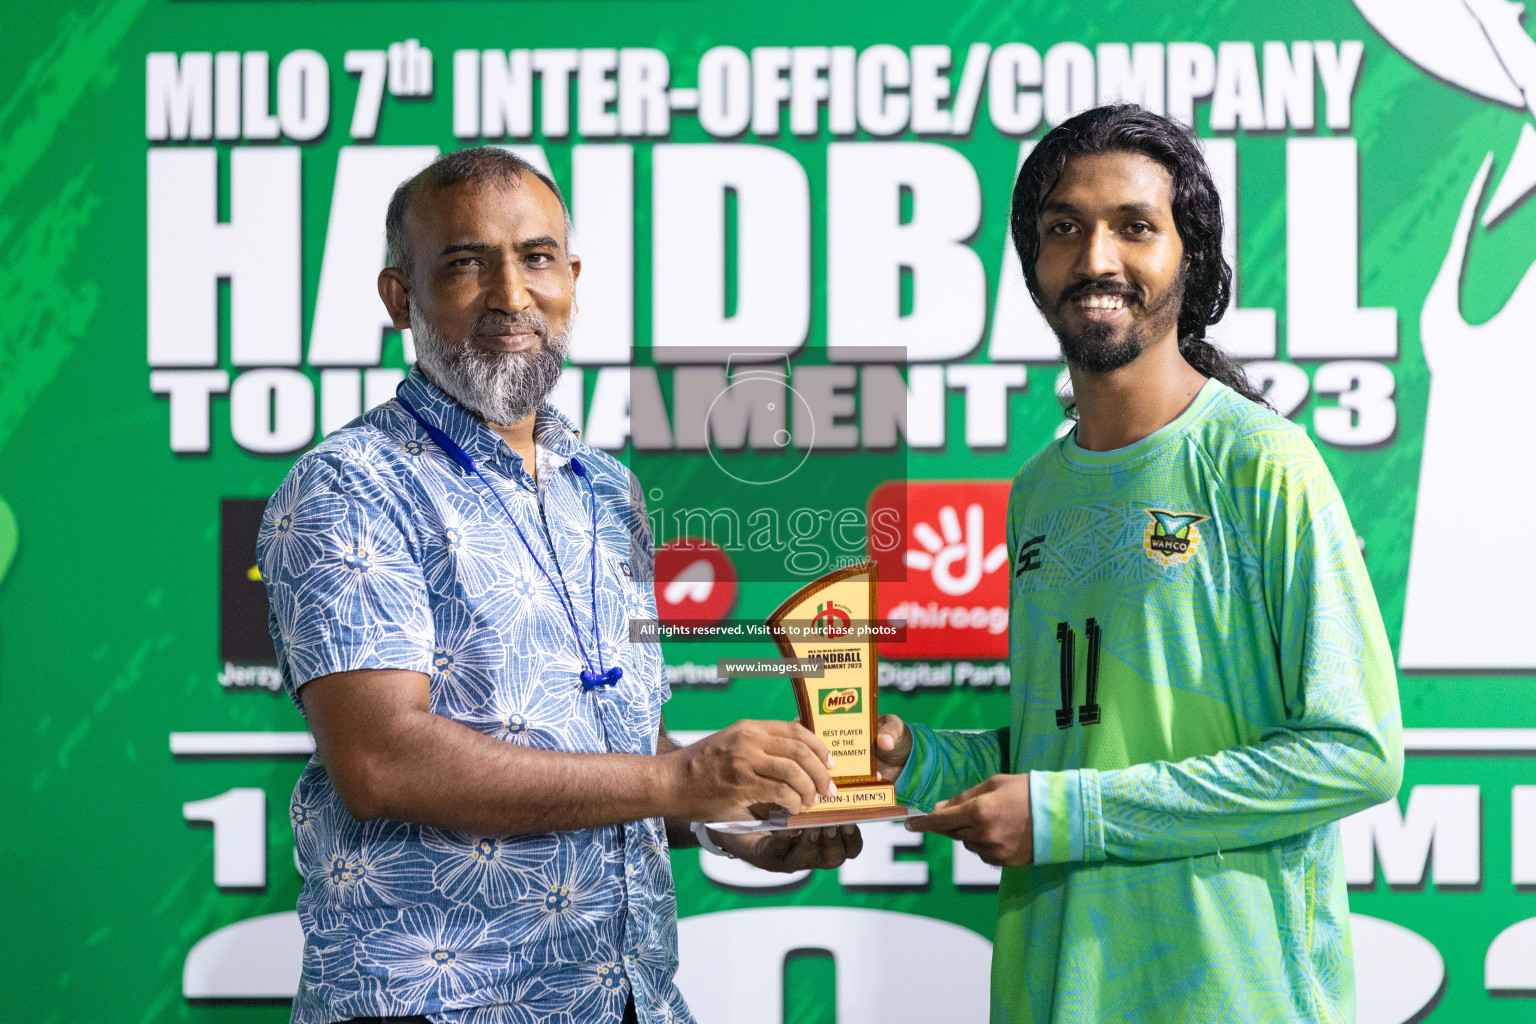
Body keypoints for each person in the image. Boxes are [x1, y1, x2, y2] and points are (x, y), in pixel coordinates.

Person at [258, 146, 861, 1024]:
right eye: (466, 263)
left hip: (629, 1001)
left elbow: (632, 763)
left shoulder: (605, 488)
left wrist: (741, 821)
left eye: (537, 258)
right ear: (399, 296)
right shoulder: (351, 485)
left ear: (572, 280)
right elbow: (380, 760)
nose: (512, 295)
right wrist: (683, 779)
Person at [876, 104, 1403, 1022]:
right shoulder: (1036, 490)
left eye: (1135, 227)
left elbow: (1355, 753)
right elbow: (1082, 746)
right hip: (1057, 988)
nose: (1095, 259)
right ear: (1032, 262)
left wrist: (1067, 816)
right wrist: (913, 760)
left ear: (1188, 255)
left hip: (1234, 995)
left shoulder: (1259, 462)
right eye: (1063, 229)